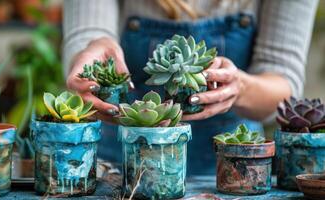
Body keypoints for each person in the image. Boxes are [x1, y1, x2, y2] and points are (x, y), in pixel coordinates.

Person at [63, 0, 318, 175]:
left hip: (232, 167)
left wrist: (238, 87)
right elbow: (88, 30)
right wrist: (92, 49)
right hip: (118, 162)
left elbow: (283, 86)